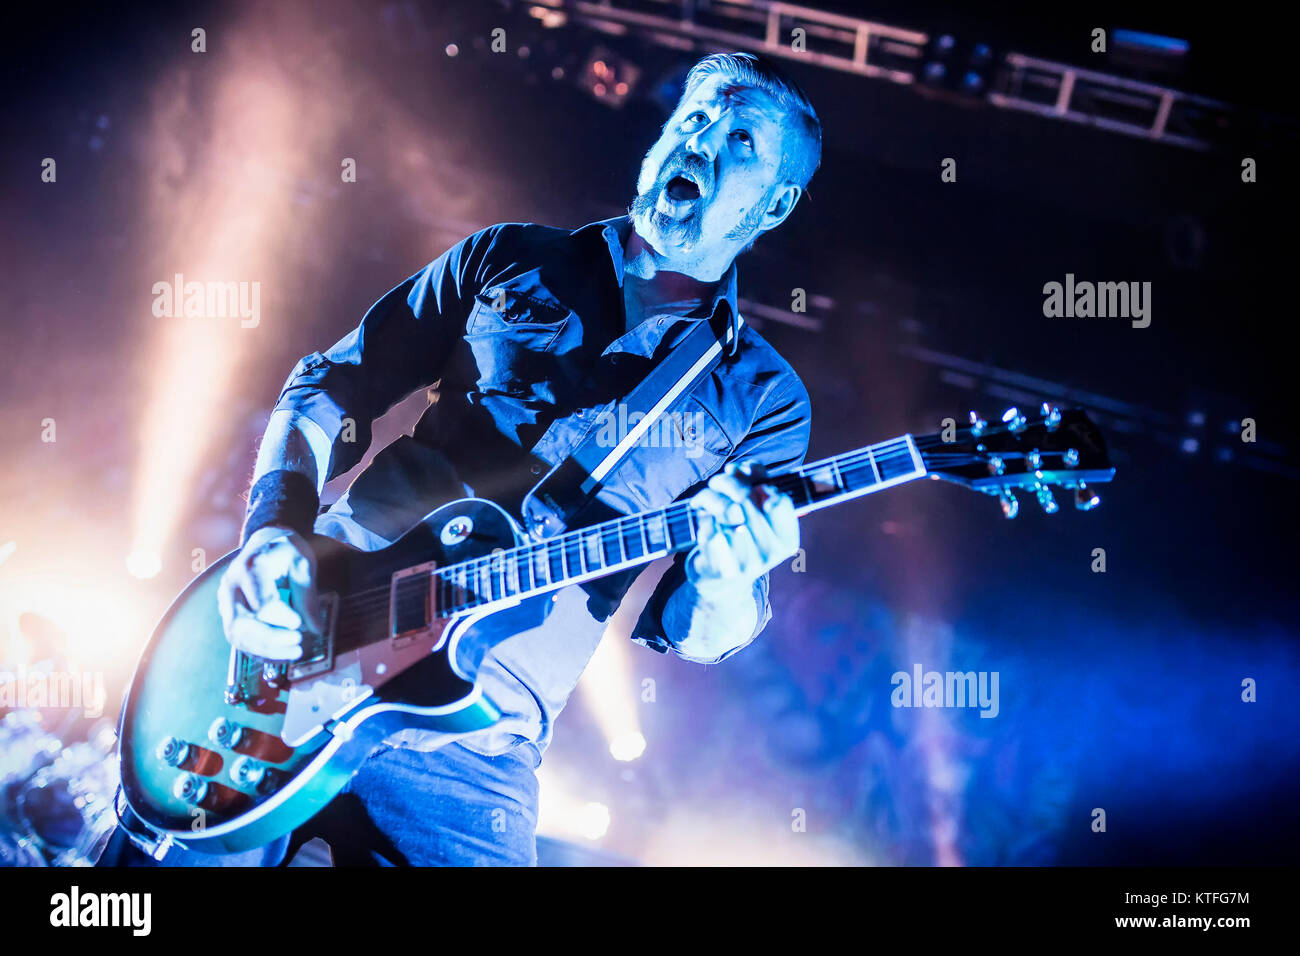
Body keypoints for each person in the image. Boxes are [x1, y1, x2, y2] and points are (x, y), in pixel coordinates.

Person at [100, 50, 820, 866]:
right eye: (692, 120)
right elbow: (332, 386)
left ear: (775, 205)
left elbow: (697, 631)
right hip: (305, 635)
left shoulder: (762, 395)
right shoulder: (510, 255)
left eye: (741, 143)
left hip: (476, 744)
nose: (704, 143)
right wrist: (273, 533)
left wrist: (728, 576)